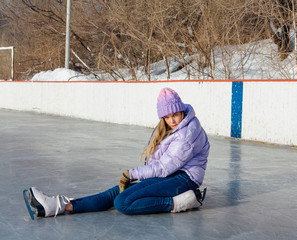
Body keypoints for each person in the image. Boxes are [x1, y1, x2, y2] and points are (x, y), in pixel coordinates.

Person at [27, 87, 210, 217]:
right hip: (171, 175)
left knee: (123, 202)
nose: (172, 120)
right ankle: (58, 206)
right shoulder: (171, 128)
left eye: (175, 115)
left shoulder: (187, 133)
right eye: (167, 117)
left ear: (182, 111)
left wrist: (132, 174)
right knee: (117, 192)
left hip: (184, 178)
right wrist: (140, 178)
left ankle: (183, 202)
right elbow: (158, 164)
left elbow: (163, 167)